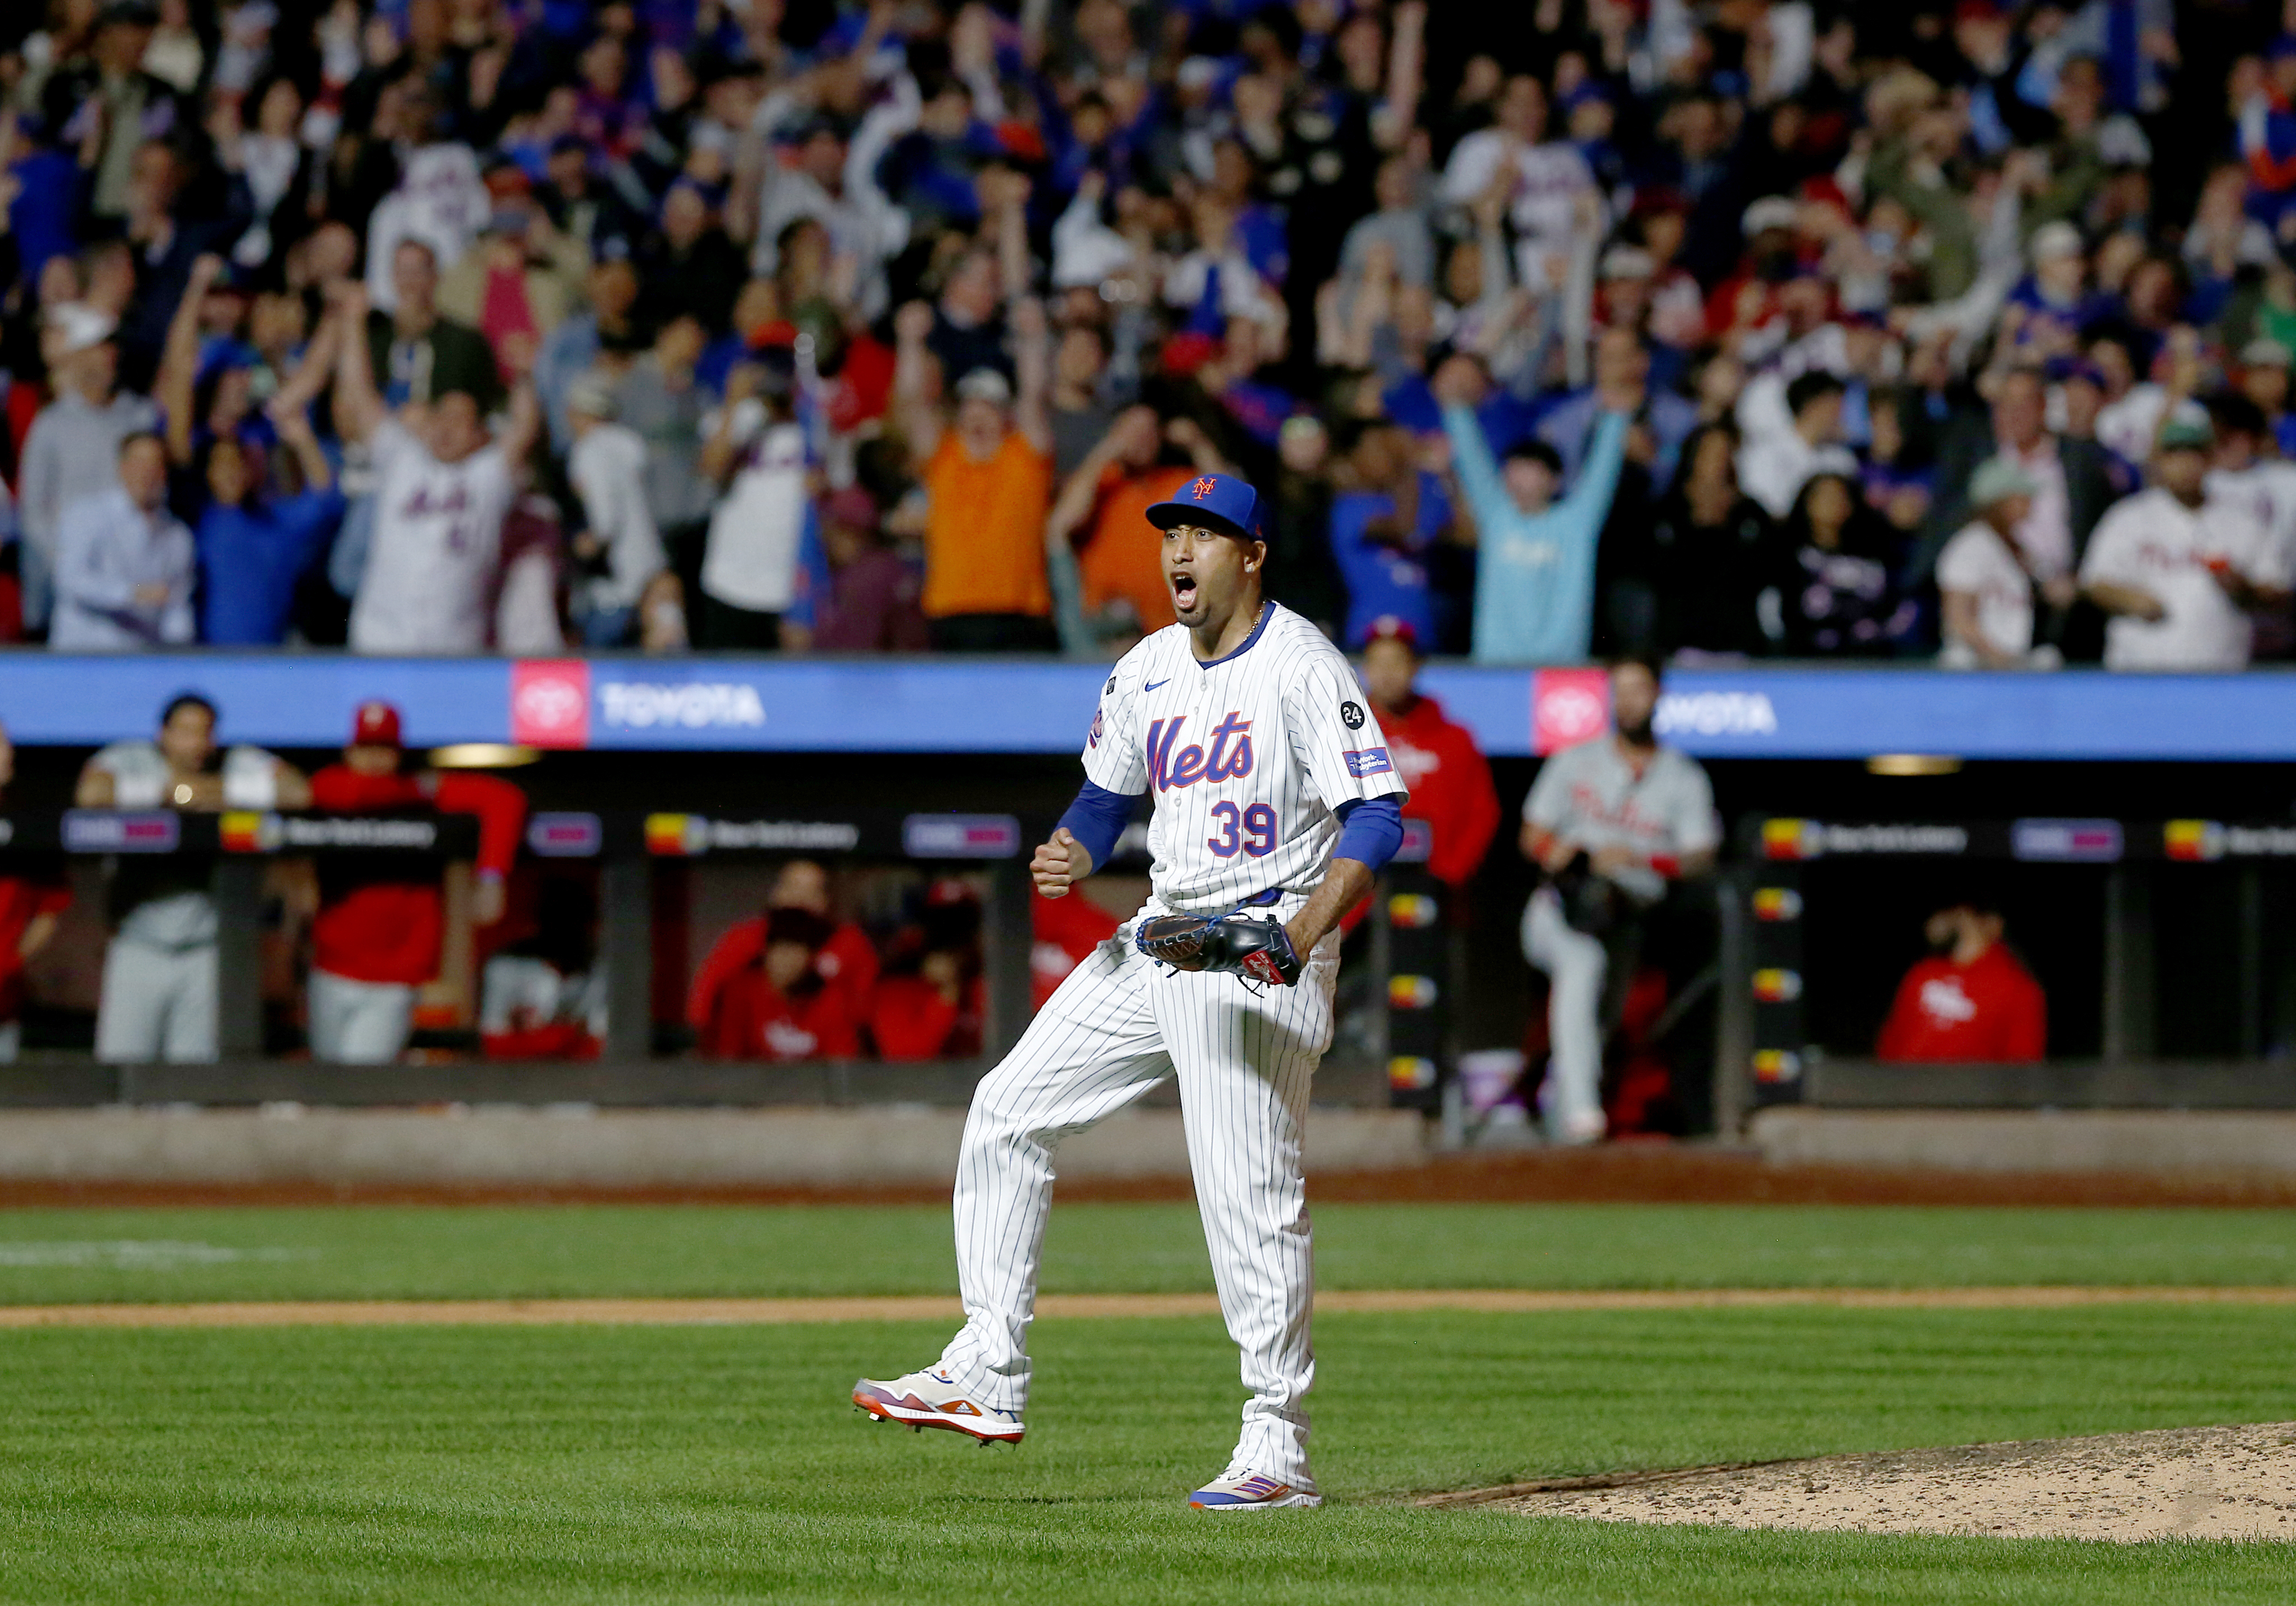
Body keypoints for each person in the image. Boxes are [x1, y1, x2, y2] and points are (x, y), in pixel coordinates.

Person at [853, 470, 1408, 1513]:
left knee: (1246, 1193)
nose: (1179, 552)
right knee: (1006, 1110)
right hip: (1162, 934)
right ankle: (985, 1368)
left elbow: (1374, 816)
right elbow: (1104, 796)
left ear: (1250, 555)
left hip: (1258, 935)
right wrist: (1074, 844)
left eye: (1204, 534)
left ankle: (1274, 1447)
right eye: (1171, 533)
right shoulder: (1146, 668)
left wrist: (1296, 935)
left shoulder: (1298, 664)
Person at [1518, 656, 1718, 1145]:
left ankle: (1560, 1099)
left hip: (1630, 916)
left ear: (1659, 697)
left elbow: (1701, 856)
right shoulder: (1576, 760)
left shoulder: (1683, 776)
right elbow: (1531, 836)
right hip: (1564, 910)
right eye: (1621, 690)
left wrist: (1637, 858)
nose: (1629, 701)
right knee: (1581, 967)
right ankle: (1581, 1114)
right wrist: (1564, 853)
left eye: (1640, 689)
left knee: (1601, 1019)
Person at [76, 693, 308, 1063]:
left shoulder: (235, 761)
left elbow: (298, 792)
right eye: (186, 732)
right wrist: (165, 794)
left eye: (205, 733)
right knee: (120, 1070)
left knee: (192, 1081)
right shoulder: (131, 758)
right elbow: (92, 794)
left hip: (205, 950)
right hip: (138, 944)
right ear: (163, 734)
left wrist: (217, 792)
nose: (198, 743)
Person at [305, 702, 526, 1064]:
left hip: (394, 975)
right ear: (350, 751)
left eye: (384, 749)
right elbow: (345, 794)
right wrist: (416, 790)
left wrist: (491, 876)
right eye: (366, 748)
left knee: (362, 1083)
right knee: (326, 1083)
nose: (375, 759)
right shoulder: (343, 785)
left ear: (400, 752)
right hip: (332, 968)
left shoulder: (428, 793)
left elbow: (505, 799)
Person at [331, 282, 542, 654]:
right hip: (382, 639)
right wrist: (352, 323)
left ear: (480, 435)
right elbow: (358, 394)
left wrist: (524, 377)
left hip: (456, 647)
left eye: (460, 420)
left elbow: (523, 429)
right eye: (441, 415)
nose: (447, 426)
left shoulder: (487, 476)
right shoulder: (402, 459)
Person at [1434, 354, 1628, 664]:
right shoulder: (1496, 516)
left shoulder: (1577, 522)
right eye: (1512, 471)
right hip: (1495, 666)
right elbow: (1471, 460)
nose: (1519, 480)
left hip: (1562, 668)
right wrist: (1456, 410)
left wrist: (1616, 419)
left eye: (1530, 471)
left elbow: (1601, 476)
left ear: (1554, 481)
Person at [893, 296, 1059, 652]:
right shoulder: (943, 456)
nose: (979, 415)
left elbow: (1034, 396)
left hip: (1018, 613)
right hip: (950, 612)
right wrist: (910, 342)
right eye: (971, 405)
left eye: (990, 406)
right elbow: (912, 403)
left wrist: (1033, 341)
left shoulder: (1025, 457)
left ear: (1004, 415)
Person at [2081, 416, 2289, 671]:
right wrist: (2128, 599)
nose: (2185, 464)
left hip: (2222, 673)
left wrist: (2244, 588)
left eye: (2194, 454)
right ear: (2160, 461)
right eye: (2175, 455)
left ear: (2210, 459)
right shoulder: (2128, 517)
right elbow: (2093, 582)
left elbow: (2277, 590)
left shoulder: (2242, 520)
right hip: (2137, 673)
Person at [15, 304, 161, 633]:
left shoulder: (140, 417)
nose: (108, 356)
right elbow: (33, 508)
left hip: (132, 585)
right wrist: (66, 560)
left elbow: (156, 492)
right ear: (79, 355)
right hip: (69, 593)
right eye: (98, 347)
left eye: (112, 347)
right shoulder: (51, 424)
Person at [1358, 617, 1499, 892]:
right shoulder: (1343, 737)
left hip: (1437, 892)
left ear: (1415, 666)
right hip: (1356, 899)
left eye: (1397, 662)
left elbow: (1483, 813)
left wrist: (1450, 874)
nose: (1387, 673)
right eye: (1378, 663)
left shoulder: (1456, 739)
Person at [49, 432, 193, 650]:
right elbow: (70, 579)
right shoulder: (87, 513)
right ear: (122, 467)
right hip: (81, 656)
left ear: (165, 473)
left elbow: (177, 605)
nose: (147, 473)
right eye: (139, 463)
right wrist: (133, 593)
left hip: (141, 663)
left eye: (156, 464)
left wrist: (182, 656)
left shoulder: (177, 535)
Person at [1877, 897, 2046, 1063]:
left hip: (1968, 1089)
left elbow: (2023, 1065)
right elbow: (1891, 1040)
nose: (1943, 921)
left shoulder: (2018, 988)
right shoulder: (1923, 972)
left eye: (1959, 914)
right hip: (1905, 1085)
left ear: (1992, 924)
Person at [564, 378, 668, 648]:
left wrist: (585, 545)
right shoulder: (630, 444)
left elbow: (605, 519)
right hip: (651, 570)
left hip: (614, 589)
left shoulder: (589, 451)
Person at [1938, 458, 2067, 670]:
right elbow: (1958, 620)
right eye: (2022, 498)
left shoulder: (2015, 547)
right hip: (1976, 666)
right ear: (1999, 502)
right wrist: (1998, 657)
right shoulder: (1970, 545)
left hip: (2008, 662)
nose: (2030, 504)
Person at [0, 721, 68, 1062]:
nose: (7, 754)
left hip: (4, 996)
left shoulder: (30, 824)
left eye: (6, 743)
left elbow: (51, 908)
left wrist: (13, 961)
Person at [480, 879, 605, 1060]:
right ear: (541, 924)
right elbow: (494, 1043)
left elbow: (603, 1046)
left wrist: (533, 1038)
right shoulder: (507, 965)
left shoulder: (603, 968)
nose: (567, 930)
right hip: (517, 1079)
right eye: (557, 920)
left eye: (576, 921)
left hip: (585, 1080)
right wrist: (567, 1036)